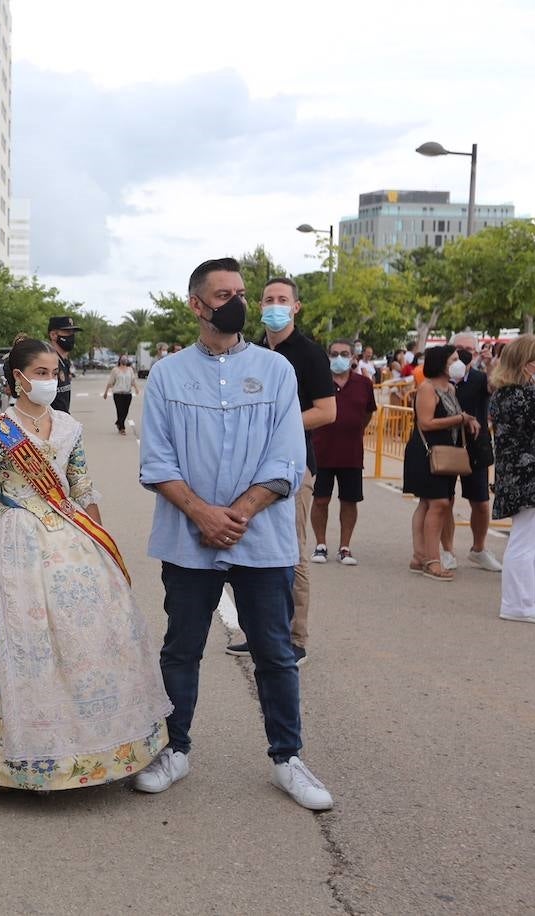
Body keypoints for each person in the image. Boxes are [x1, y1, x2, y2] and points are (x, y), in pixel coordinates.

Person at [0, 335, 170, 791]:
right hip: (11, 539)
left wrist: (105, 548)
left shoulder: (67, 428)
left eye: (54, 372)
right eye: (41, 373)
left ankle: (93, 744)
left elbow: (80, 488)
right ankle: (2, 755)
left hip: (68, 537)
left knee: (86, 638)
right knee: (7, 638)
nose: (50, 380)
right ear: (18, 379)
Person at [136, 256, 331, 811]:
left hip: (262, 538)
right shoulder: (170, 374)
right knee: (181, 647)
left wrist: (237, 512)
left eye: (242, 292)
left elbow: (288, 459)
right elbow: (157, 460)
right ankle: (174, 749)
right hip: (187, 538)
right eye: (224, 294)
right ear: (197, 305)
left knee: (274, 650)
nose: (240, 302)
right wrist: (201, 513)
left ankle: (287, 758)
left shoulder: (277, 372)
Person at [226, 277, 334, 666]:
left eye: (283, 299)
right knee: (248, 550)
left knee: (291, 552)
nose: (275, 305)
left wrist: (277, 423)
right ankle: (258, 633)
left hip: (293, 466)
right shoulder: (251, 353)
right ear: (259, 306)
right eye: (269, 299)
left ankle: (295, 637)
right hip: (249, 466)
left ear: (296, 307)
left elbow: (327, 411)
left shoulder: (308, 354)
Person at [402, 345, 479, 582]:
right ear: (441, 362)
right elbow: (426, 423)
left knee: (429, 504)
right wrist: (460, 418)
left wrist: (467, 420)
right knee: (438, 504)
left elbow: (451, 416)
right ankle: (432, 560)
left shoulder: (450, 389)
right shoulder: (427, 388)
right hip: (427, 454)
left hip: (444, 454)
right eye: (454, 359)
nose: (458, 363)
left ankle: (419, 556)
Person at [487, 335, 535, 623]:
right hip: (530, 476)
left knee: (533, 542)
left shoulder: (506, 394)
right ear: (528, 365)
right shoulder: (528, 397)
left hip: (522, 475)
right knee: (526, 542)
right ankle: (518, 604)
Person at [438, 332, 502, 573]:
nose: (463, 354)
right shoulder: (439, 379)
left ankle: (479, 549)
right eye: (458, 349)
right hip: (446, 445)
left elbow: (495, 386)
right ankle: (447, 550)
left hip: (477, 446)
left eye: (469, 350)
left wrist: (490, 364)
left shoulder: (480, 378)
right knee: (444, 501)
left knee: (481, 502)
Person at [309, 340, 377, 566]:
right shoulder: (318, 382)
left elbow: (368, 413)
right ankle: (320, 545)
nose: (339, 358)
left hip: (351, 453)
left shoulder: (364, 384)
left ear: (352, 357)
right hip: (321, 451)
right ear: (328, 356)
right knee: (320, 500)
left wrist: (354, 428)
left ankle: (344, 547)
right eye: (335, 353)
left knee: (349, 500)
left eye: (344, 354)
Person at [47, 316, 81, 413]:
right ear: (53, 335)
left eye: (72, 333)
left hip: (63, 420)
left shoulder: (65, 361)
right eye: (67, 332)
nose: (71, 336)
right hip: (50, 421)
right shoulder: (48, 361)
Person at [102, 355, 139, 436]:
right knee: (120, 410)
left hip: (127, 393)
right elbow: (110, 382)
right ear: (119, 360)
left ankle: (118, 422)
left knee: (125, 411)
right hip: (118, 394)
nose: (124, 360)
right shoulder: (115, 370)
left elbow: (133, 380)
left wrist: (136, 388)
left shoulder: (130, 370)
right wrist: (105, 392)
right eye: (123, 359)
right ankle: (122, 428)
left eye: (126, 359)